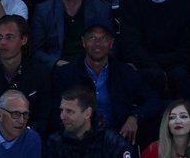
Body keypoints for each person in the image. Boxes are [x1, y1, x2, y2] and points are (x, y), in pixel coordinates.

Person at [51, 17, 162, 145]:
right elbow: (55, 115)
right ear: (83, 42)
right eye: (92, 37)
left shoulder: (124, 72)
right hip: (79, 140)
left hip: (117, 138)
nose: (97, 43)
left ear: (111, 43)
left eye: (103, 38)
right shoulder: (66, 74)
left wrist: (135, 117)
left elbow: (153, 100)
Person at [30, 0, 113, 69]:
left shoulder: (101, 9)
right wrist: (57, 63)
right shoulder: (44, 10)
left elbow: (111, 48)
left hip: (92, 69)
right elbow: (36, 51)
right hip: (57, 71)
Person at [43, 86, 134, 158]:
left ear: (87, 113)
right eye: (61, 110)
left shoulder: (114, 143)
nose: (62, 116)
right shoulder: (55, 141)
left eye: (69, 111)